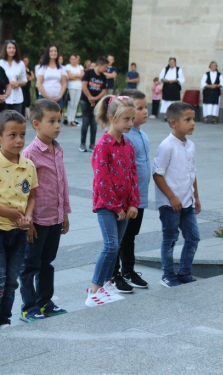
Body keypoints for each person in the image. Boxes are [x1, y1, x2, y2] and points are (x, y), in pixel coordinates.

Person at [0, 110, 38, 333]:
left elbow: (31, 196)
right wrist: (9, 213)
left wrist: (28, 217)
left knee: (12, 280)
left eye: (22, 134)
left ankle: (4, 320)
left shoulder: (28, 165)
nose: (19, 140)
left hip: (18, 232)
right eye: (12, 135)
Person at [84, 95, 140, 307]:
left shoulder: (127, 145)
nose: (130, 123)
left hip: (125, 207)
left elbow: (134, 174)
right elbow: (102, 181)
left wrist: (133, 203)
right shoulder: (103, 146)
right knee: (110, 245)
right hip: (107, 207)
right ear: (112, 118)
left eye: (132, 119)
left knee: (115, 247)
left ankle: (106, 287)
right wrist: (116, 207)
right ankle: (94, 291)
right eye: (126, 119)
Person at [19, 99, 71, 322]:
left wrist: (65, 213)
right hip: (37, 219)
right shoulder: (30, 154)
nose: (58, 125)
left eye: (59, 120)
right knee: (30, 265)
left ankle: (45, 302)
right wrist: (27, 221)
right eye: (52, 121)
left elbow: (63, 183)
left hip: (55, 217)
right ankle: (28, 306)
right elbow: (24, 191)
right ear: (36, 124)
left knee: (47, 262)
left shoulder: (57, 149)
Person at [153, 102, 201, 288]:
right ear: (174, 122)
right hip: (170, 204)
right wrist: (171, 197)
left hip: (187, 202)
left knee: (193, 238)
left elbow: (192, 172)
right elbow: (158, 174)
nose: (192, 123)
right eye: (187, 120)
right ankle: (167, 274)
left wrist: (195, 196)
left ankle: (184, 272)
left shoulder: (191, 146)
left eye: (193, 119)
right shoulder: (167, 146)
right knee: (171, 238)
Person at [111, 89, 151, 292]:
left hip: (139, 196)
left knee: (131, 235)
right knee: (120, 237)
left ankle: (128, 270)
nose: (144, 111)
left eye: (145, 107)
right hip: (125, 200)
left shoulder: (142, 135)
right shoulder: (125, 137)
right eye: (140, 108)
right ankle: (114, 273)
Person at [79, 56, 108, 152]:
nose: (106, 69)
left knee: (94, 124)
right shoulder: (89, 73)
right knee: (86, 122)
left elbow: (103, 91)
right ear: (100, 65)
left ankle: (92, 144)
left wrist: (95, 99)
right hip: (85, 101)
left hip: (96, 102)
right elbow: (84, 85)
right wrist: (90, 98)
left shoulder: (103, 77)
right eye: (105, 67)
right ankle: (82, 144)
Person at [0, 40, 27, 115]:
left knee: (16, 121)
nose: (11, 50)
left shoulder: (20, 63)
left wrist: (18, 83)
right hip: (4, 97)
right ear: (5, 49)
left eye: (13, 48)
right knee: (3, 121)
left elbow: (24, 81)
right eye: (9, 48)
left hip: (17, 97)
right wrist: (7, 83)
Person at [36, 45, 67, 109]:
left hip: (57, 99)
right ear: (48, 53)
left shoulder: (61, 68)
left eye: (55, 51)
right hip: (44, 98)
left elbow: (64, 83)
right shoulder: (43, 68)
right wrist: (47, 97)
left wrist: (60, 96)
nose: (53, 53)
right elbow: (39, 83)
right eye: (51, 51)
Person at [65, 53, 84, 126]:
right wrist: (78, 77)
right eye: (72, 59)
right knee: (71, 103)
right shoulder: (68, 66)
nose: (73, 61)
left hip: (79, 87)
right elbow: (69, 76)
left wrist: (74, 76)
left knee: (75, 104)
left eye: (74, 59)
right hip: (71, 86)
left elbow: (83, 75)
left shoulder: (80, 66)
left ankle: (73, 119)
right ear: (70, 60)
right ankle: (69, 119)